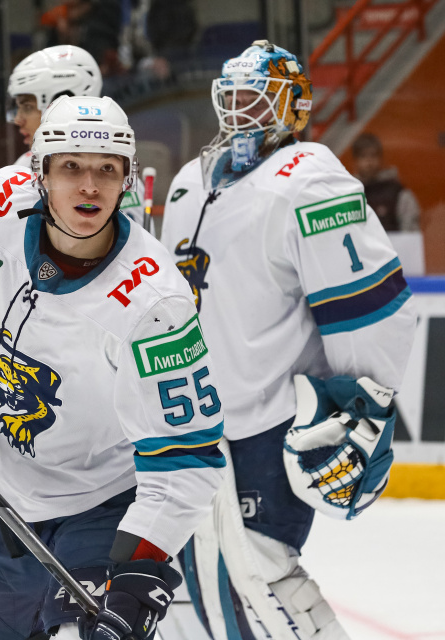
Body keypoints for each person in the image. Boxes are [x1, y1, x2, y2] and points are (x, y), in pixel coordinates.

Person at [0, 95, 226, 639]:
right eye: (71, 167)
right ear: (39, 173)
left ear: (127, 179)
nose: (89, 186)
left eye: (107, 170)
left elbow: (189, 454)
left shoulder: (156, 301)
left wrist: (139, 567)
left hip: (99, 503)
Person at [159, 41, 417, 639]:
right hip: (192, 422)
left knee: (262, 573)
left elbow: (369, 306)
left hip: (268, 423)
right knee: (188, 586)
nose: (240, 112)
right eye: (232, 98)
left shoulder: (309, 179)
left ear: (294, 107)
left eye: (257, 99)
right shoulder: (188, 182)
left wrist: (363, 406)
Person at [7, 45, 150, 230]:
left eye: (27, 107)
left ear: (57, 101)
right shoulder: (23, 165)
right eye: (71, 166)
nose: (18, 119)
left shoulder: (118, 176)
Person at [351, 132, 421, 232]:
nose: (369, 161)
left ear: (381, 158)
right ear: (355, 161)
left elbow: (410, 232)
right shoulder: (349, 193)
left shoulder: (397, 193)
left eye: (373, 155)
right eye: (363, 156)